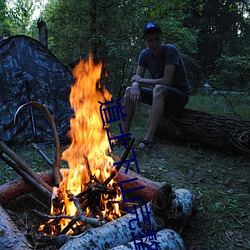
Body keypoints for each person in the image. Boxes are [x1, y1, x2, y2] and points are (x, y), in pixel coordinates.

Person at [122, 21, 191, 149]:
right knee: (128, 90)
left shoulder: (171, 50)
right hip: (160, 94)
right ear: (145, 41)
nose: (154, 43)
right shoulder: (144, 54)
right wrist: (136, 85)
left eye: (157, 39)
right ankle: (124, 136)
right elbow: (137, 78)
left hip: (179, 95)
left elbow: (166, 81)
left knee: (159, 88)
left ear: (161, 37)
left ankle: (149, 139)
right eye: (150, 40)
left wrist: (140, 81)